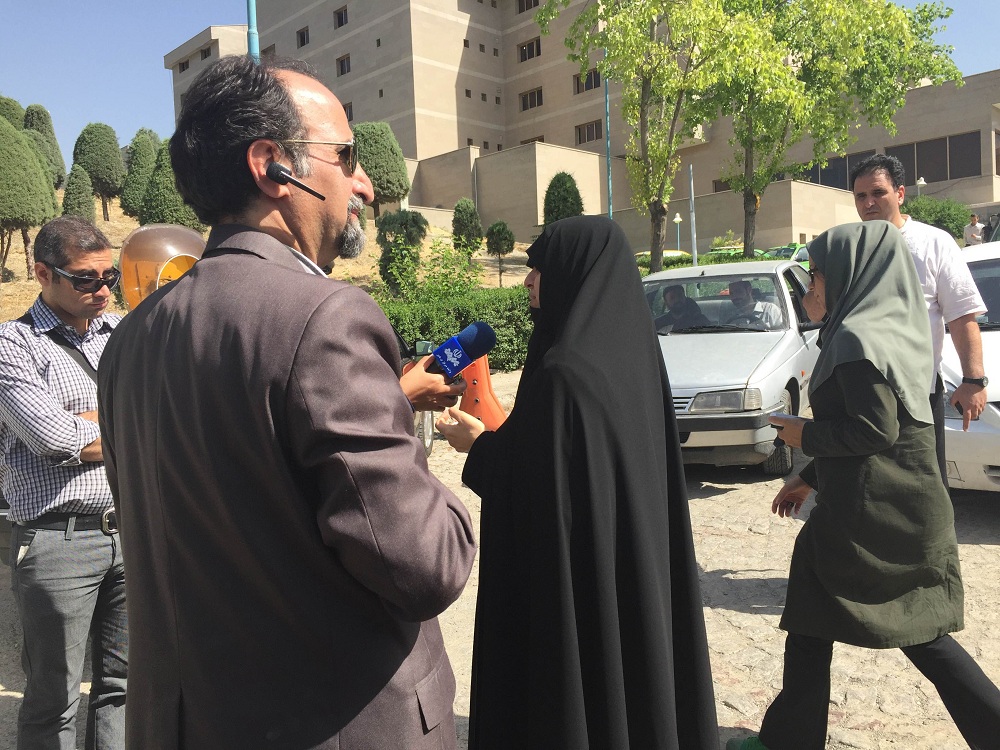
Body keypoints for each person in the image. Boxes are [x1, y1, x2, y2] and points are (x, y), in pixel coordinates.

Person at [97, 55, 476, 749]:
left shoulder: (131, 339)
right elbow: (426, 566)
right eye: (346, 156)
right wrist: (448, 480)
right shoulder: (326, 317)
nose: (364, 183)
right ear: (272, 166)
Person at [436, 216, 718, 750]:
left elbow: (542, 493)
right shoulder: (634, 359)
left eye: (538, 269)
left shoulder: (564, 373)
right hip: (633, 566)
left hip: (579, 586)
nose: (528, 282)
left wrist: (478, 447)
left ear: (573, 272)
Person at [728, 222, 1000, 750]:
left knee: (920, 633)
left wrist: (802, 434)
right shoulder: (893, 327)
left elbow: (875, 431)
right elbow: (886, 430)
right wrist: (808, 476)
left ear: (849, 275)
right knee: (815, 622)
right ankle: (789, 740)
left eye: (815, 277)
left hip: (874, 516)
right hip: (892, 503)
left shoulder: (856, 339)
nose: (808, 289)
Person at [0, 216, 127, 748]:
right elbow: (54, 440)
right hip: (58, 541)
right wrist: (132, 418)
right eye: (85, 278)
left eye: (109, 276)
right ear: (43, 274)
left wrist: (93, 423)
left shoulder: (122, 334)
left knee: (123, 687)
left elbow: (172, 407)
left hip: (130, 532)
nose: (102, 289)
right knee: (54, 697)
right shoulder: (14, 345)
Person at [850, 154, 986, 482]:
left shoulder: (933, 243)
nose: (868, 203)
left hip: (917, 396)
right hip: (862, 395)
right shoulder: (850, 247)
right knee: (869, 490)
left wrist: (973, 380)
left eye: (878, 193)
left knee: (925, 489)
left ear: (900, 193)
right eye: (860, 195)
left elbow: (961, 315)